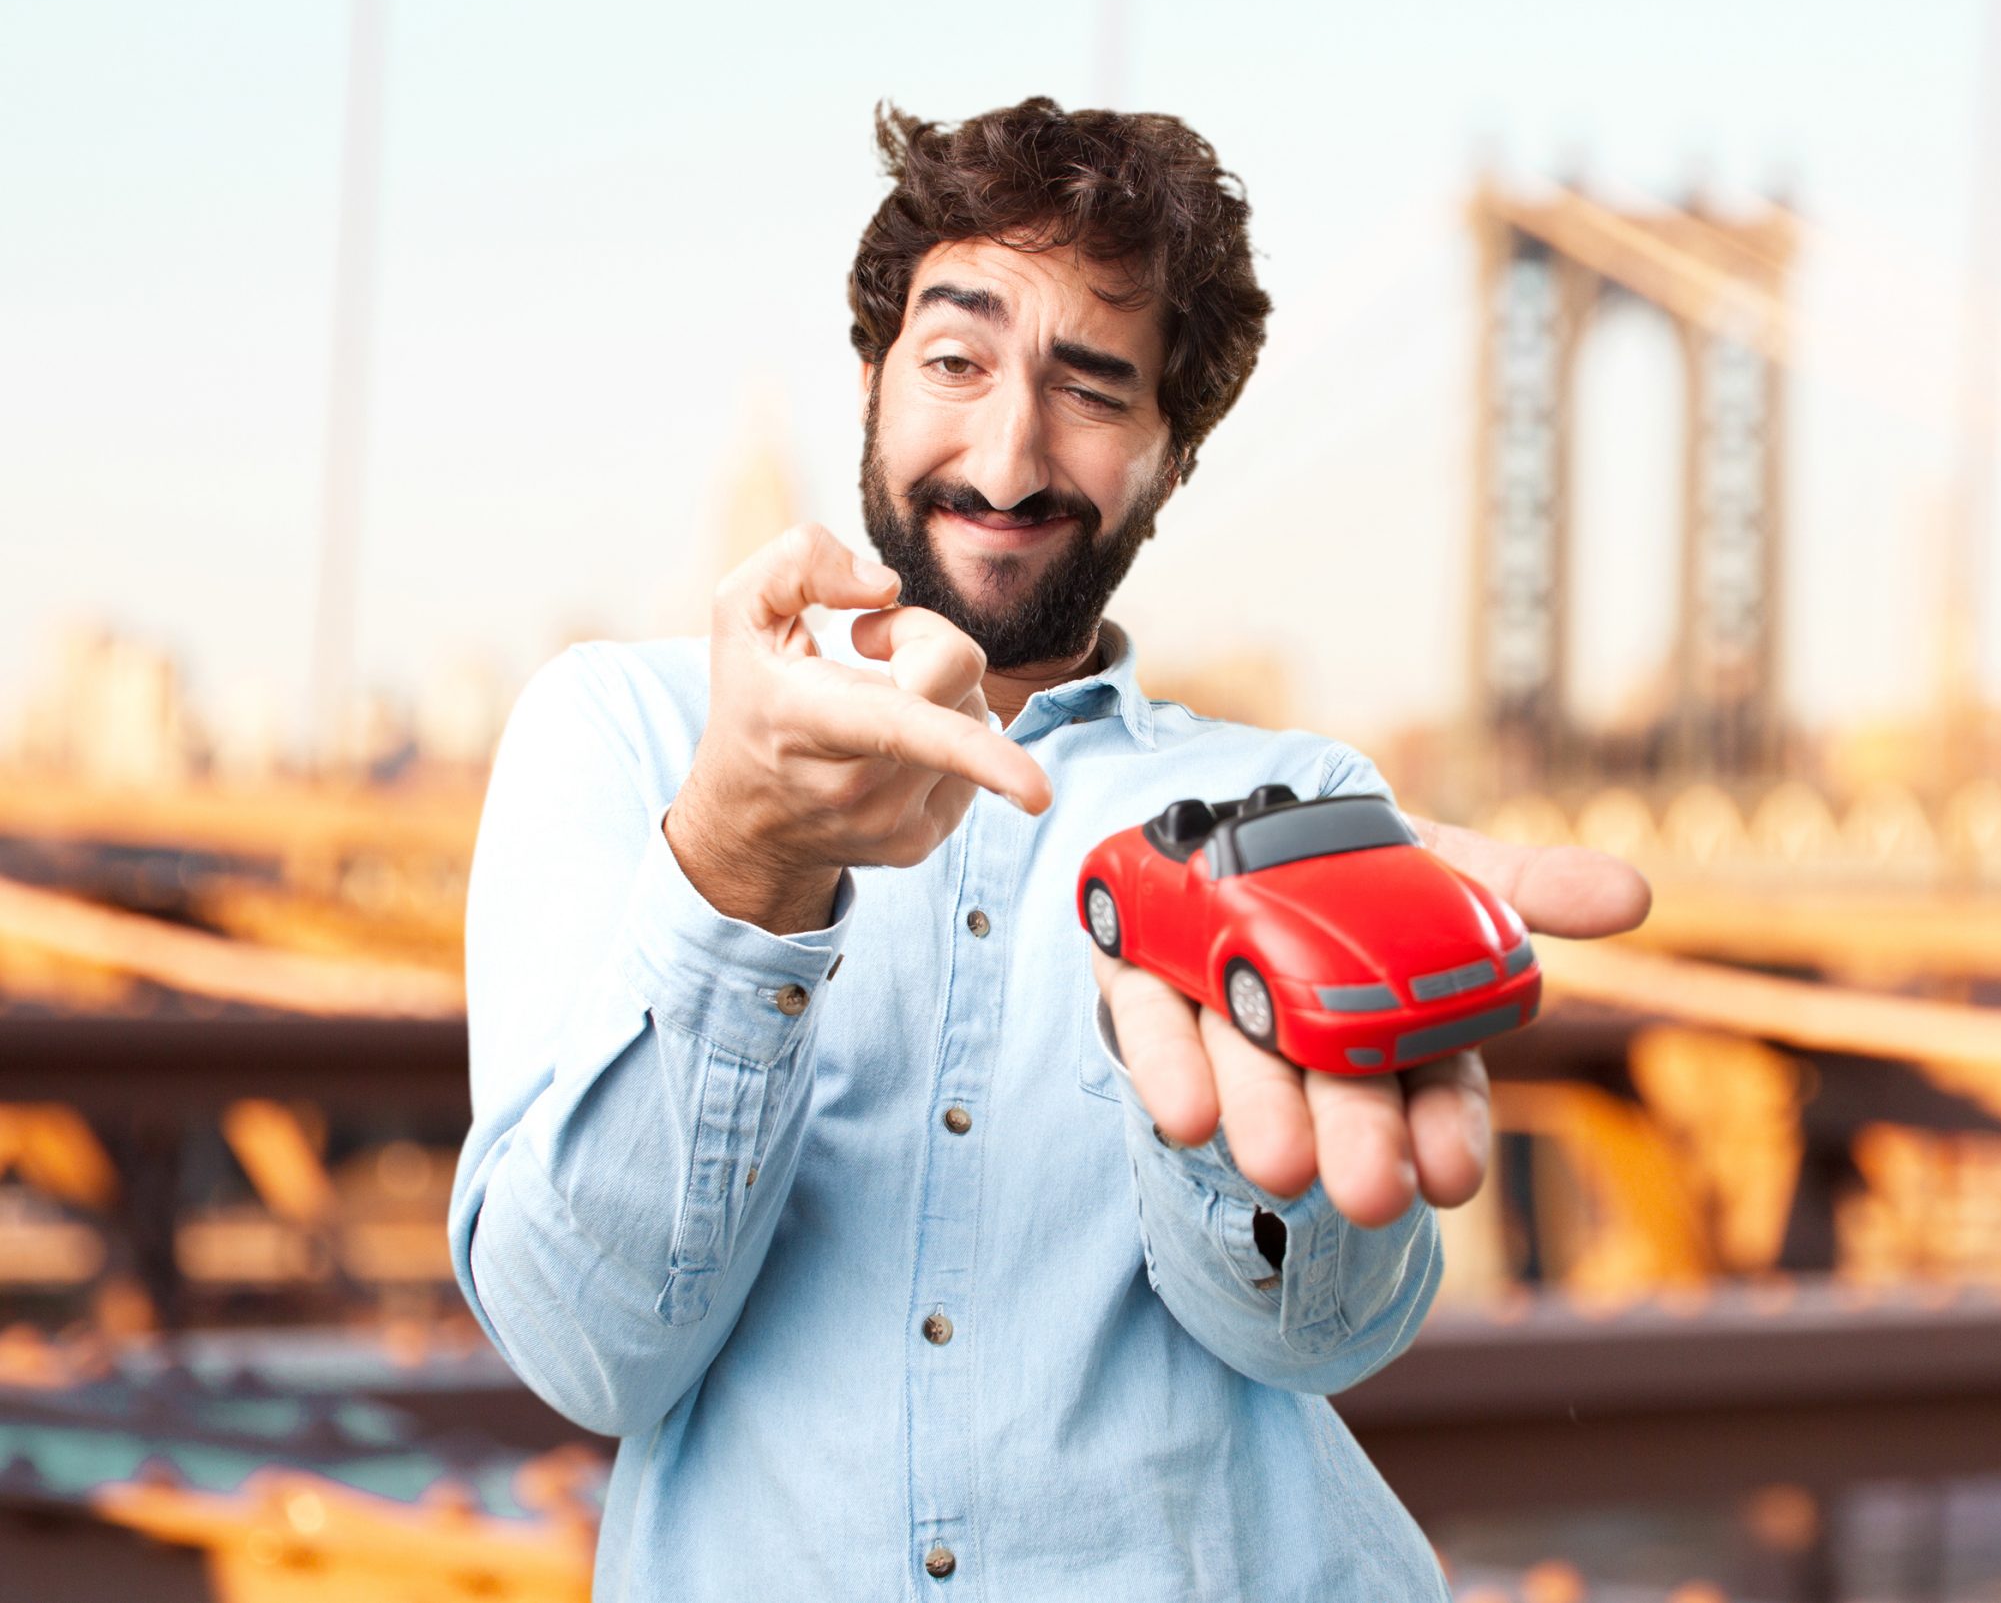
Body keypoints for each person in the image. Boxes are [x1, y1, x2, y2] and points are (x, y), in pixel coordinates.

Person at [448, 96, 1650, 1600]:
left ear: (1171, 453)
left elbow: (1313, 1338)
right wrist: (741, 867)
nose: (1010, 455)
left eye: (1094, 390)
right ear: (872, 374)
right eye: (955, 361)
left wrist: (1237, 1116)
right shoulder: (622, 736)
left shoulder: (1287, 807)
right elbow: (590, 1348)